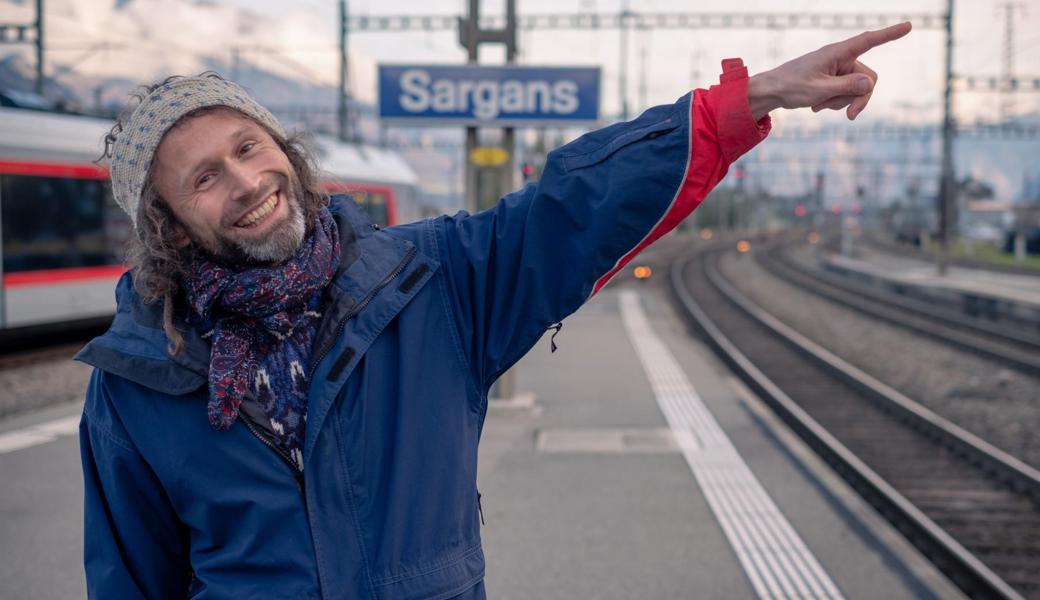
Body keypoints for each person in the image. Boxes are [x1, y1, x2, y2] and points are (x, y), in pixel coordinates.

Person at [77, 22, 911, 599]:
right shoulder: (139, 382)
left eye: (246, 147)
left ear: (282, 149)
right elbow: (130, 580)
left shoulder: (428, 284)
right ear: (170, 225)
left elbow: (573, 207)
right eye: (204, 178)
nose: (246, 182)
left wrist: (748, 100)